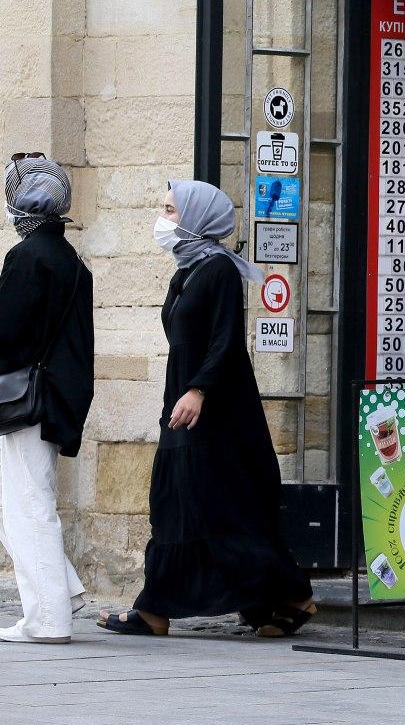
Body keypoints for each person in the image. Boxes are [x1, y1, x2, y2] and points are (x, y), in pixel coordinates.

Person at [98, 180, 314, 638]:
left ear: (197, 218)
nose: (164, 217)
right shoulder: (186, 271)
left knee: (220, 507)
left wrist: (198, 389)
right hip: (183, 403)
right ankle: (160, 607)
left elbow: (226, 340)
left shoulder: (217, 270)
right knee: (174, 502)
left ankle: (291, 594)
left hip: (215, 410)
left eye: (171, 209)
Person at [0, 154, 93, 644]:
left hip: (26, 401)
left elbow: (7, 334)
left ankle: (47, 618)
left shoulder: (28, 257)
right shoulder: (71, 261)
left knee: (28, 506)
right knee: (26, 500)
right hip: (56, 398)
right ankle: (64, 593)